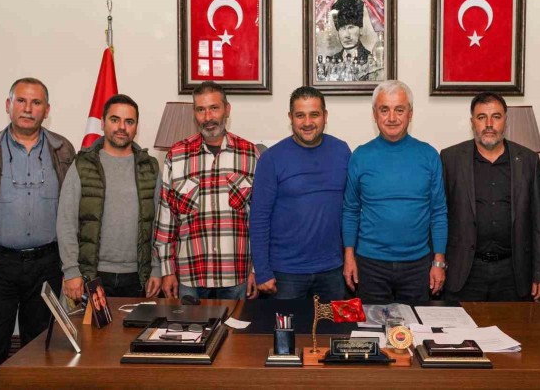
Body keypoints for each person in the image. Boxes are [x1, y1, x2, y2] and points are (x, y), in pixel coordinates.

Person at [0, 77, 75, 390]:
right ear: (8, 105)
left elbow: (74, 208)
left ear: (47, 110)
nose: (28, 108)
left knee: (41, 350)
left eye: (36, 103)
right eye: (21, 101)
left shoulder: (63, 150)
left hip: (47, 265)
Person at [342, 80, 448, 303]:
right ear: (375, 114)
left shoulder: (429, 156)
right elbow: (350, 210)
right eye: (384, 110)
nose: (392, 118)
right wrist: (349, 255)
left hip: (418, 265)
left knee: (415, 325)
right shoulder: (360, 156)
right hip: (370, 264)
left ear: (410, 113)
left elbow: (438, 213)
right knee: (371, 324)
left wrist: (438, 261)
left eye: (399, 110)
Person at [440, 92, 540, 303]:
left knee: (514, 325)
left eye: (496, 117)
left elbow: (539, 221)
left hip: (513, 271)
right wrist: (437, 263)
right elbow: (439, 216)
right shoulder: (450, 159)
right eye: (482, 117)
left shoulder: (528, 160)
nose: (489, 124)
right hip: (465, 270)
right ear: (472, 122)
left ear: (505, 121)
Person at [155, 81, 259, 300]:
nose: (208, 117)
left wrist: (257, 269)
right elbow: (166, 219)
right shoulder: (177, 156)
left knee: (238, 324)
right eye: (201, 109)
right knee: (185, 324)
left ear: (227, 109)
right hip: (190, 276)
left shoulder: (250, 154)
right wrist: (167, 270)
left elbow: (259, 219)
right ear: (194, 113)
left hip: (236, 275)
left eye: (214, 108)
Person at [250, 87, 351, 301]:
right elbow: (259, 217)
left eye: (314, 114)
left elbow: (351, 208)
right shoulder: (272, 159)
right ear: (290, 118)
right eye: (300, 115)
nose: (307, 122)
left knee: (331, 324)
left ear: (325, 116)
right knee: (286, 325)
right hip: (285, 273)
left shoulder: (342, 151)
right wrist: (262, 270)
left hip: (332, 270)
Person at [57, 94, 161, 300]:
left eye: (129, 121)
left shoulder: (150, 167)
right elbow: (66, 222)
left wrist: (157, 269)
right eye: (115, 119)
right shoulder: (82, 165)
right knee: (89, 324)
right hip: (92, 275)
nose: (122, 127)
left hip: (139, 277)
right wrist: (71, 270)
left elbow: (160, 223)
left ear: (136, 127)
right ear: (103, 123)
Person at [329, 0, 371, 65]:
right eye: (342, 28)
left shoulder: (371, 59)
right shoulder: (331, 61)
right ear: (338, 33)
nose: (347, 35)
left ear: (361, 30)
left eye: (351, 27)